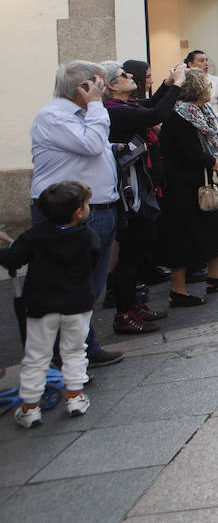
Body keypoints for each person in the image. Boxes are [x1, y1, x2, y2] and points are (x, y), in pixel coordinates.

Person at [30, 61, 124, 367]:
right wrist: (97, 106)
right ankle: (63, 357)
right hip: (68, 216)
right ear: (82, 88)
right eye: (98, 84)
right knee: (69, 289)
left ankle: (83, 347)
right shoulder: (53, 116)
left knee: (90, 289)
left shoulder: (84, 114)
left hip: (97, 209)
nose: (103, 89)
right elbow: (91, 144)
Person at [1, 181, 99, 427]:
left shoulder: (36, 235)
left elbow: (13, 258)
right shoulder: (87, 235)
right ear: (78, 211)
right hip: (78, 304)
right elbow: (93, 260)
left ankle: (30, 407)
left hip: (41, 305)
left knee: (36, 356)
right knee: (75, 350)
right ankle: (75, 397)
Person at [101, 60, 182, 335]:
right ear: (112, 85)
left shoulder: (124, 107)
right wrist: (178, 86)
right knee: (130, 253)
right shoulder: (113, 111)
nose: (129, 76)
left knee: (136, 252)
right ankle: (124, 313)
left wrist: (168, 85)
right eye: (123, 75)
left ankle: (133, 304)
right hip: (129, 190)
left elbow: (148, 107)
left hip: (139, 183)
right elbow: (154, 114)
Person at [157, 68, 218, 306]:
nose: (210, 88)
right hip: (181, 183)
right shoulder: (178, 116)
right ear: (196, 88)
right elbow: (190, 151)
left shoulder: (202, 111)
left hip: (201, 179)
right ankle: (178, 290)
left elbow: (212, 142)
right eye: (206, 84)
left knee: (213, 224)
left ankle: (215, 277)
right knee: (183, 234)